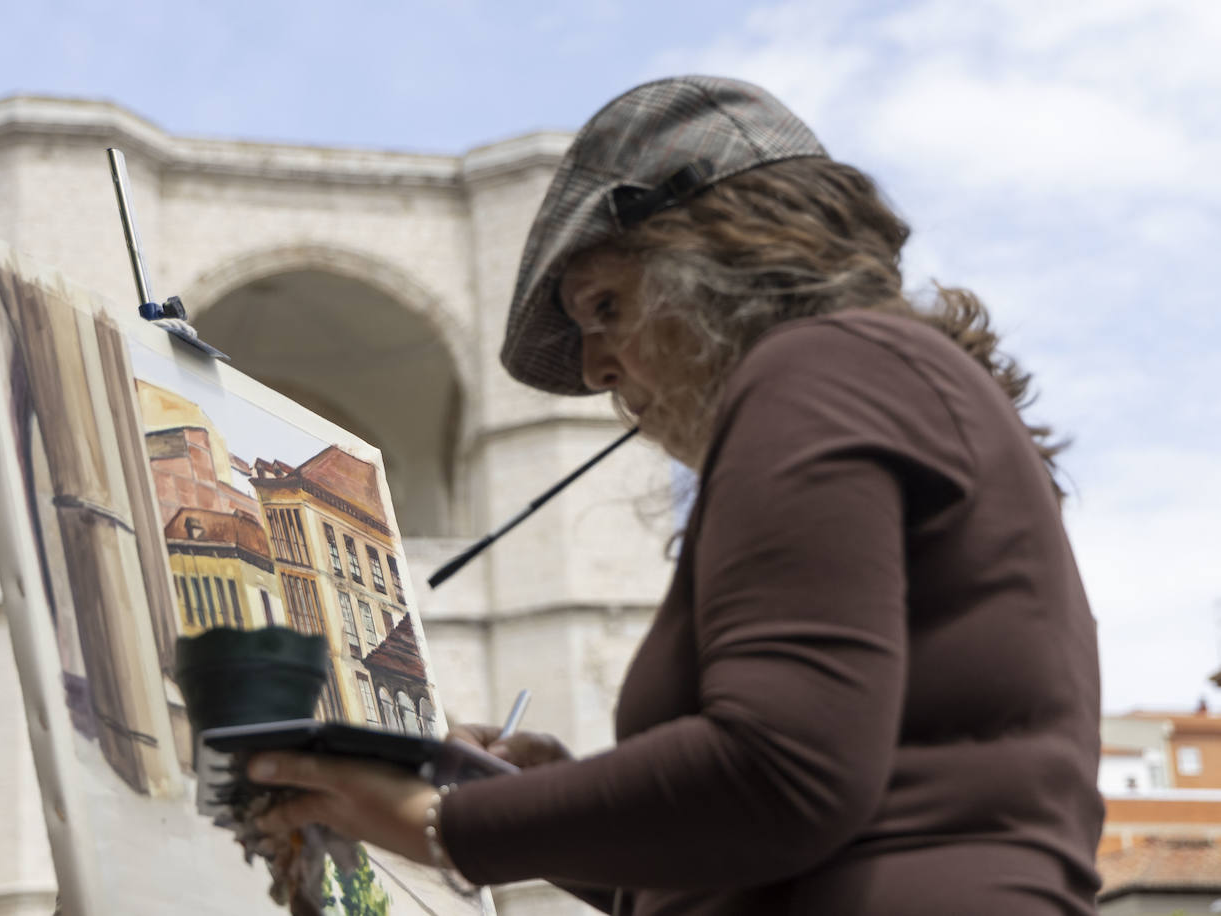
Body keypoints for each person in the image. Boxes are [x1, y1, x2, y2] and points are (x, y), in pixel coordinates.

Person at [248, 75, 1105, 915]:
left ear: (717, 257)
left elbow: (784, 775)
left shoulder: (820, 365)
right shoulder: (880, 382)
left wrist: (445, 823)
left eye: (606, 306)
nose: (593, 371)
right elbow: (765, 836)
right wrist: (551, 800)